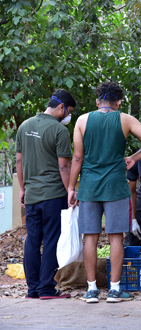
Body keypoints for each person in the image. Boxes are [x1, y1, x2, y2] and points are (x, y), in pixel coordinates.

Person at [68, 82, 141, 303]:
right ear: (118, 102)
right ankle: (115, 290)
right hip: (116, 186)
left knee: (89, 237)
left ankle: (91, 291)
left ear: (98, 101)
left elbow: (78, 158)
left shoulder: (82, 120)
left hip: (89, 186)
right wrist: (133, 159)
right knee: (116, 237)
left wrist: (72, 187)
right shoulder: (125, 119)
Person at [15, 89, 76, 300]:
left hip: (31, 194)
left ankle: (32, 290)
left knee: (32, 240)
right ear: (61, 107)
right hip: (53, 195)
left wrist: (22, 189)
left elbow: (19, 162)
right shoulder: (59, 131)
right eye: (68, 112)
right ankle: (46, 289)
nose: (68, 116)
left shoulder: (24, 126)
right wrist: (70, 190)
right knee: (51, 240)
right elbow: (63, 167)